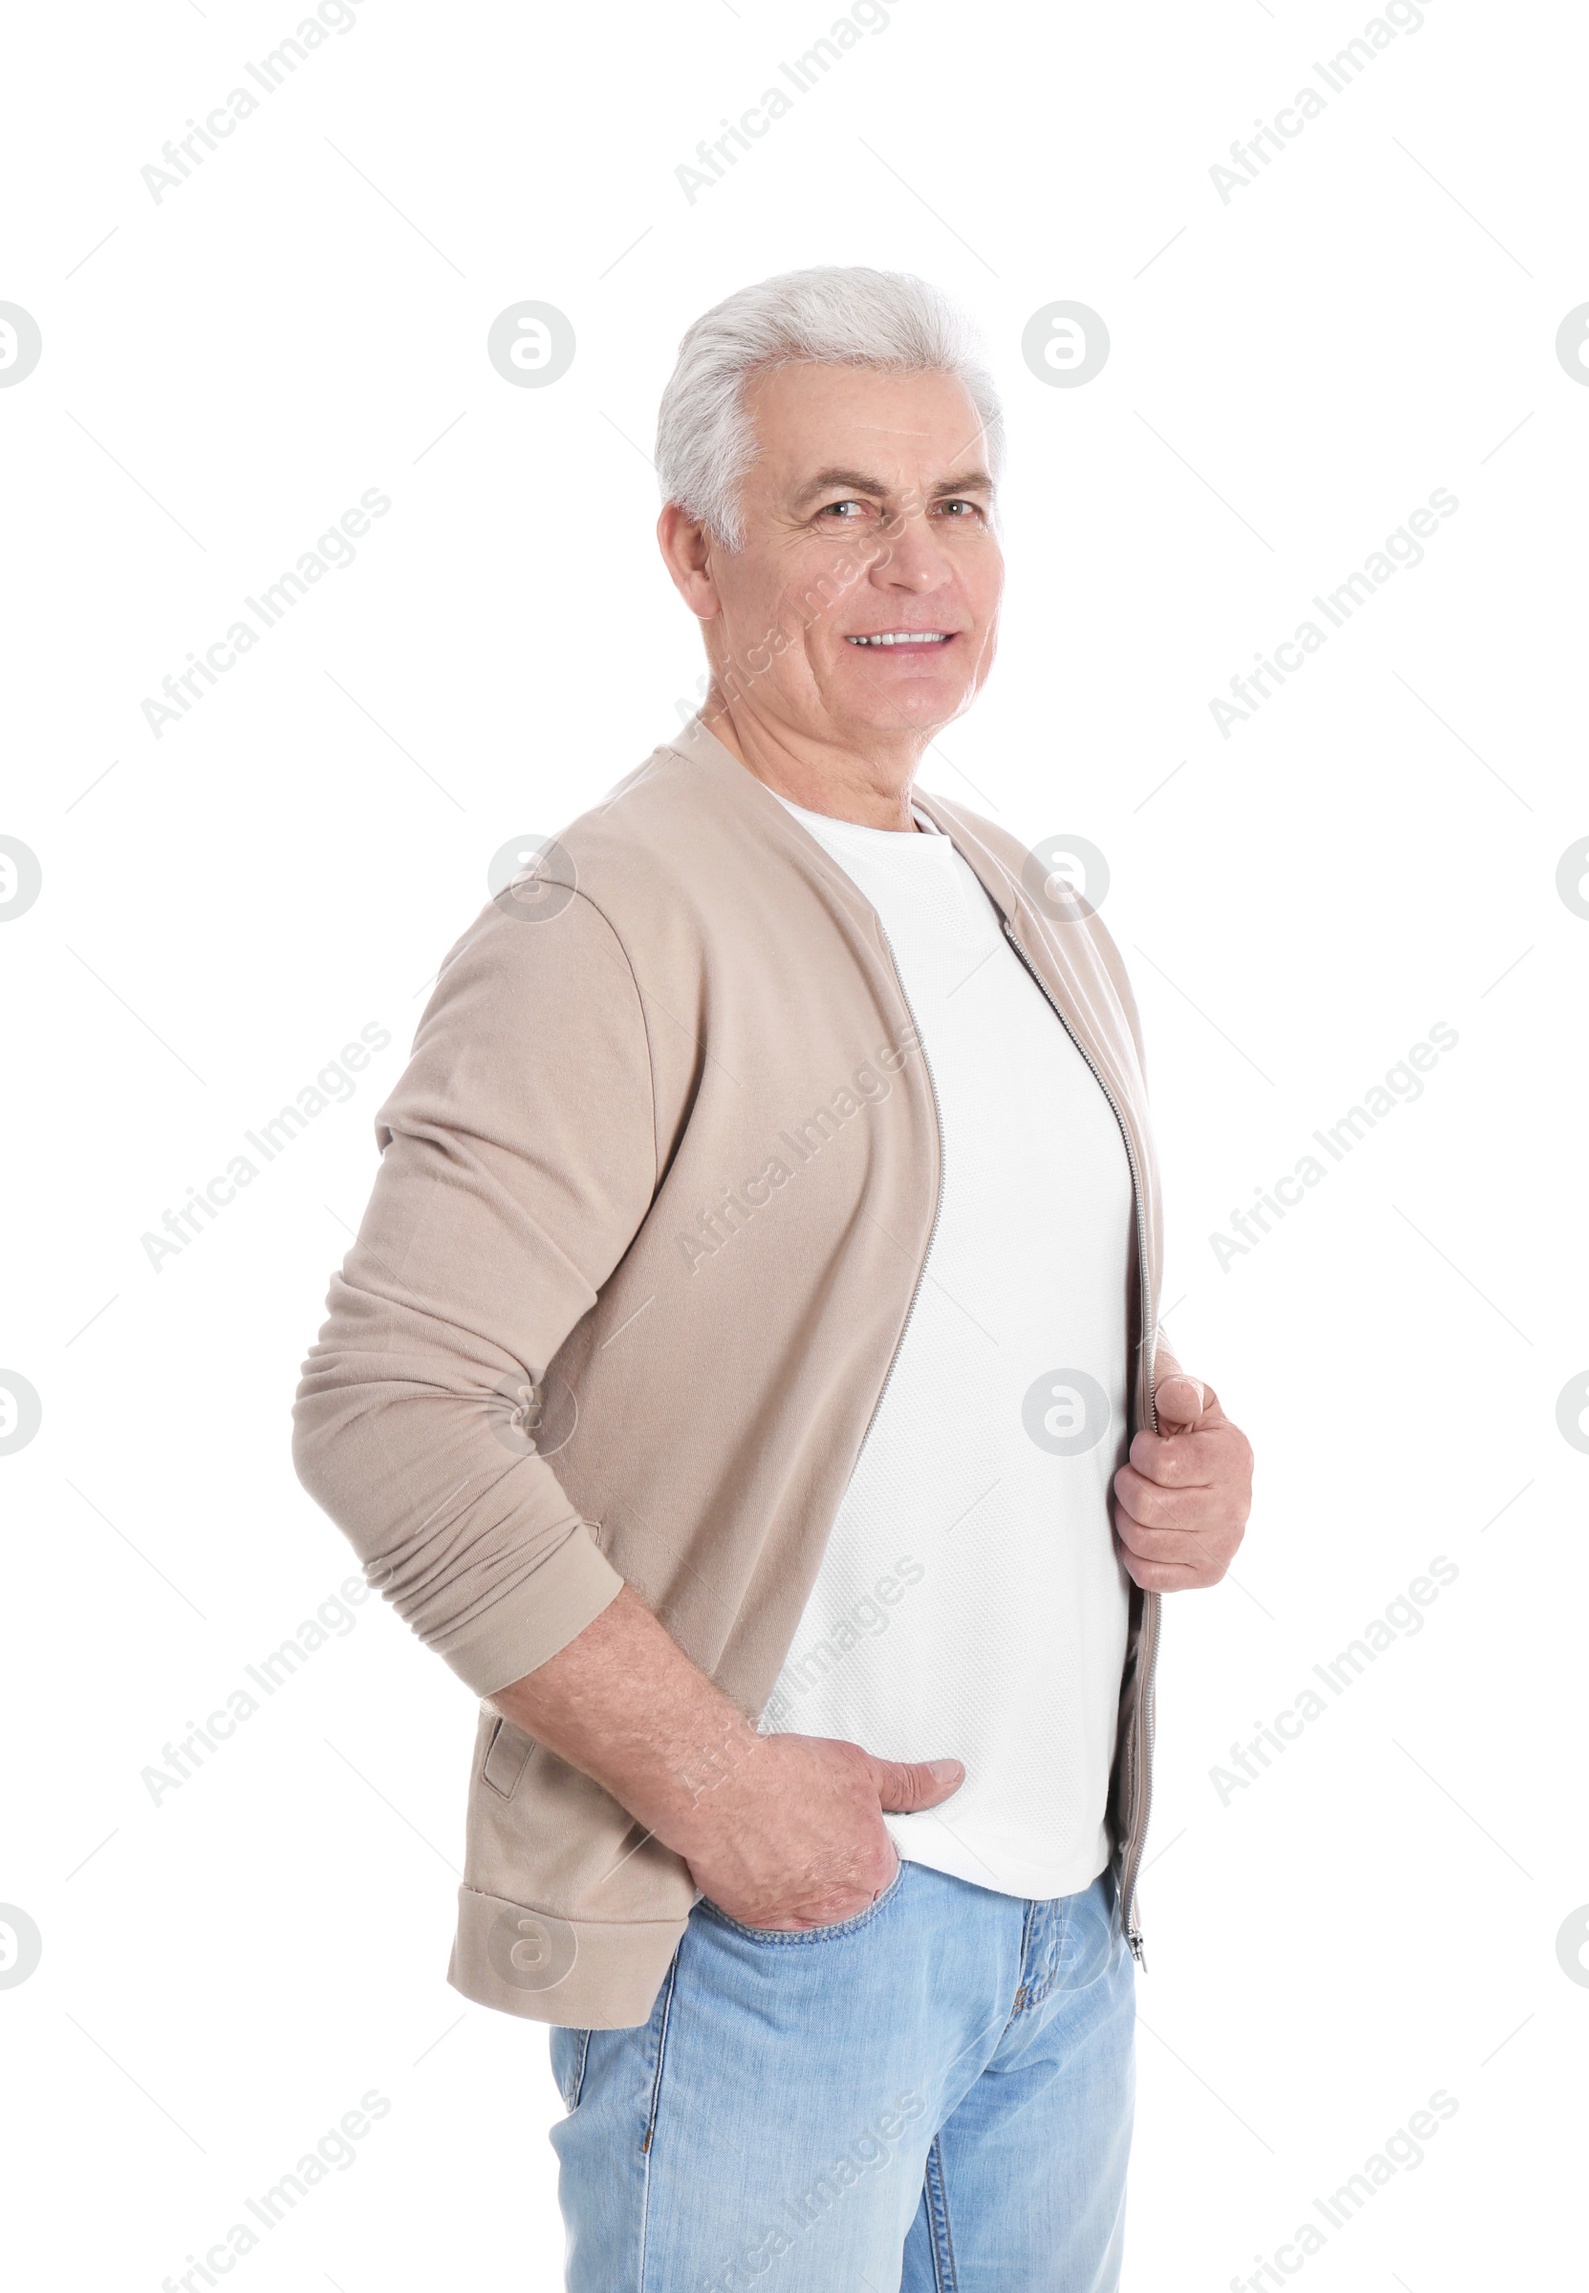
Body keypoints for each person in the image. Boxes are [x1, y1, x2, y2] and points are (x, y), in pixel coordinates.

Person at [292, 265, 1254, 2290]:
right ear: (693, 551)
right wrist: (716, 1788)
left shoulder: (1023, 903)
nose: (917, 566)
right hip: (775, 1935)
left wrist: (1175, 1465)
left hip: (1057, 1934)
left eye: (959, 503)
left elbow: (940, 1320)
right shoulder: (612, 916)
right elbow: (391, 1406)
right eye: (838, 509)